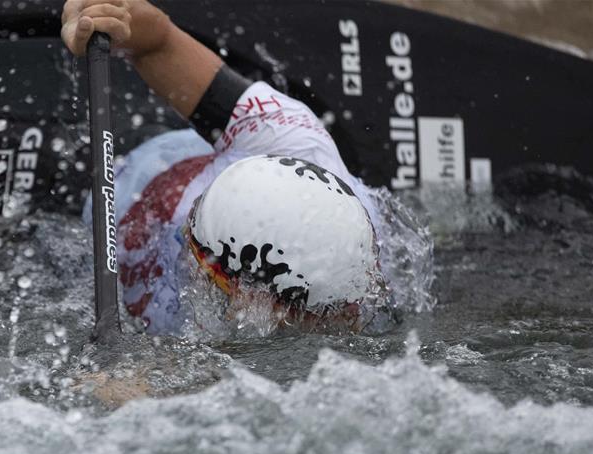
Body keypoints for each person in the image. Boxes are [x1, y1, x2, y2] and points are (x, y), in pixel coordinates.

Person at [61, 0, 393, 336]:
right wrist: (113, 16)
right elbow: (157, 42)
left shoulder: (351, 270)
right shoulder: (285, 136)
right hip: (129, 154)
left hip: (84, 257)